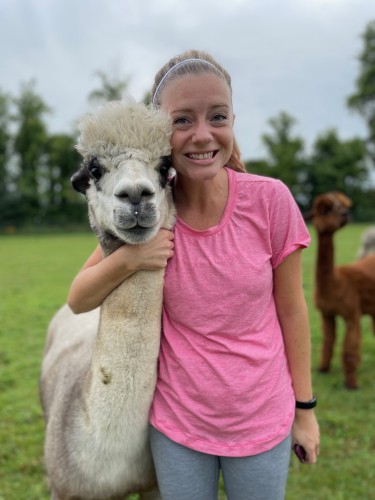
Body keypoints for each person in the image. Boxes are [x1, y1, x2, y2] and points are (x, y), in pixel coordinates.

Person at [68, 49, 320, 500]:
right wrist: (129, 259)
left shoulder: (270, 202)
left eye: (217, 116)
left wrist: (305, 409)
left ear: (232, 120)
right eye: (183, 121)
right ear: (162, 134)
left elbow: (292, 309)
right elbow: (79, 298)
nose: (202, 135)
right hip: (178, 424)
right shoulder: (155, 212)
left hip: (261, 417)